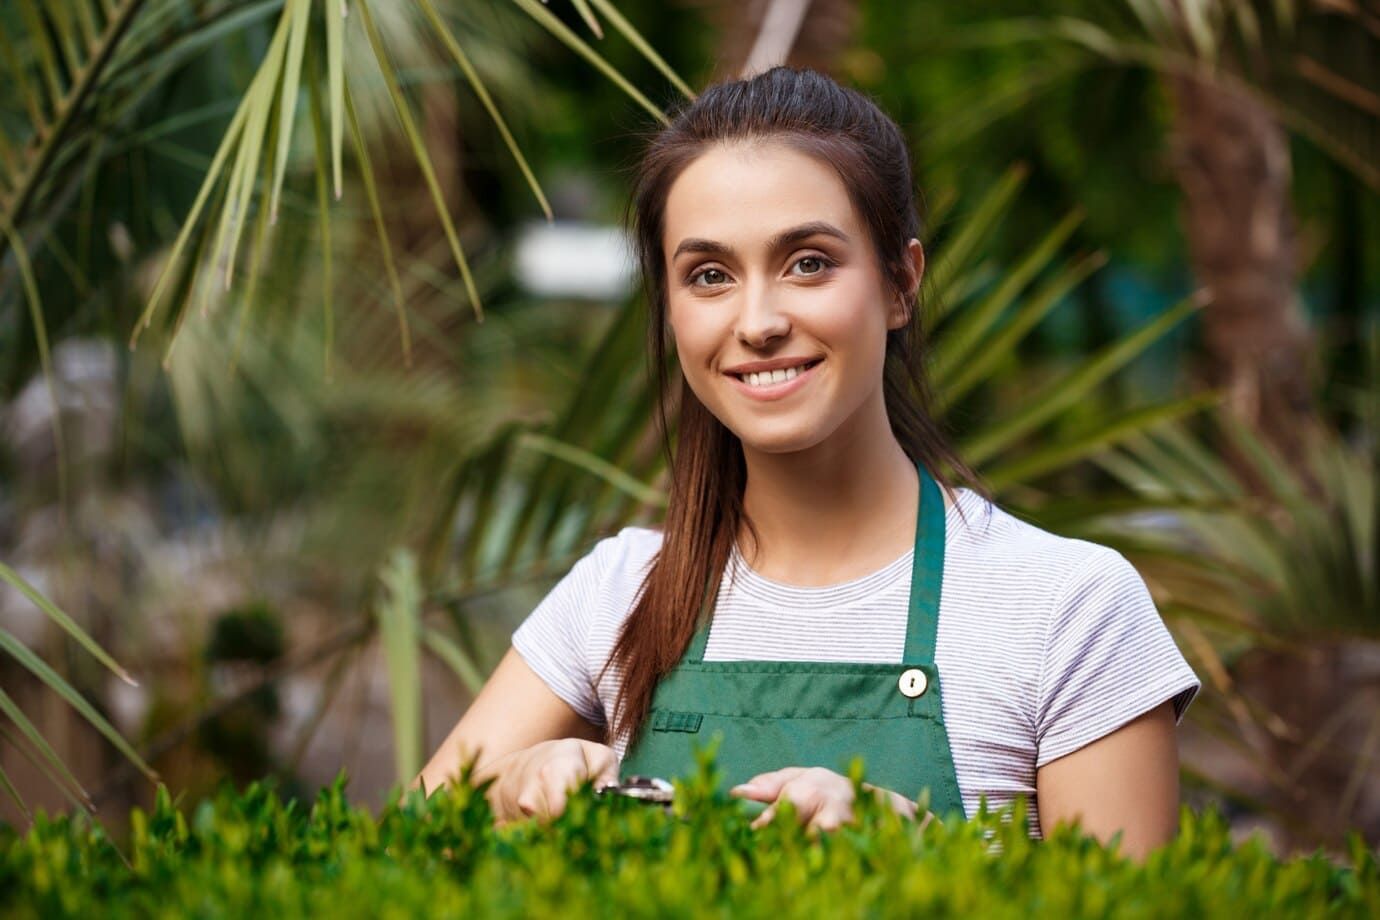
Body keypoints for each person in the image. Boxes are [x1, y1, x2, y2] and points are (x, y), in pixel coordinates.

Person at [416, 67, 1200, 858]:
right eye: (710, 276)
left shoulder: (1070, 608)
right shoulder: (618, 592)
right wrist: (511, 789)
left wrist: (920, 851)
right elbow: (399, 853)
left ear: (900, 284)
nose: (757, 322)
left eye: (809, 263)